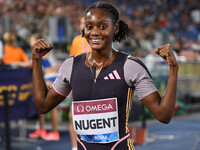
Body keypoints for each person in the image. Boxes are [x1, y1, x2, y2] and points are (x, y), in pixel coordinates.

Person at [31, 1, 179, 150]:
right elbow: (43, 105)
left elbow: (163, 115)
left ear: (115, 28)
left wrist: (173, 69)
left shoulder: (130, 67)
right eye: (89, 26)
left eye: (102, 26)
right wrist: (36, 60)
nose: (94, 32)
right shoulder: (71, 66)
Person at [28, 33, 60, 141]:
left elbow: (50, 70)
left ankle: (55, 132)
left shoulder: (44, 53)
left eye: (32, 40)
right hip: (46, 79)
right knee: (39, 102)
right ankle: (41, 129)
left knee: (53, 106)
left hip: (52, 79)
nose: (30, 42)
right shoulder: (36, 53)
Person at [68, 15, 91, 150]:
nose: (82, 25)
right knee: (73, 116)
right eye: (81, 23)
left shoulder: (98, 39)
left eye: (86, 23)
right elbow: (71, 63)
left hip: (96, 84)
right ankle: (75, 147)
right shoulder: (76, 40)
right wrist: (70, 86)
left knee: (93, 118)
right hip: (78, 83)